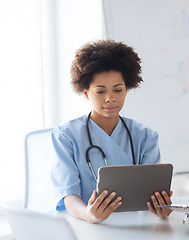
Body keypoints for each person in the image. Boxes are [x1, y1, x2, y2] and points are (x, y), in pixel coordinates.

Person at [51, 39, 172, 223]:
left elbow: (151, 195)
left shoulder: (145, 136)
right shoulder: (66, 136)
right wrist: (88, 214)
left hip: (134, 227)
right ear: (85, 93)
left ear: (127, 90)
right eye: (100, 92)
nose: (110, 98)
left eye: (118, 90)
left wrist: (159, 208)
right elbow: (68, 196)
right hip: (84, 227)